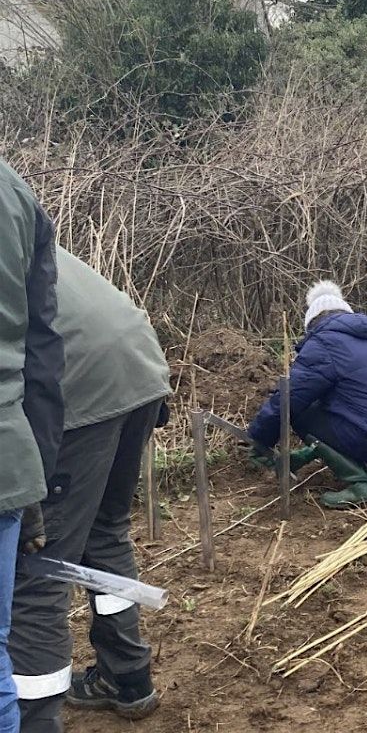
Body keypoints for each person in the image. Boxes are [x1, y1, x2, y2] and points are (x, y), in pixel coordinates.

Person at [11, 247, 170, 731]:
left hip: (75, 388)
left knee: (37, 571)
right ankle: (127, 677)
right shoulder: (15, 217)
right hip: (136, 362)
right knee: (104, 531)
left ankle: (31, 720)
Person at [247, 281, 367, 507]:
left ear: (312, 321)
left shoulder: (322, 344)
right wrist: (306, 454)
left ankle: (362, 484)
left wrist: (260, 438)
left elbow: (288, 400)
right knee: (364, 405)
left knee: (303, 413)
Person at [0, 157, 63, 733]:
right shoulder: (18, 193)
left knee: (36, 584)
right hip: (8, 449)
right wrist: (36, 476)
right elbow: (43, 358)